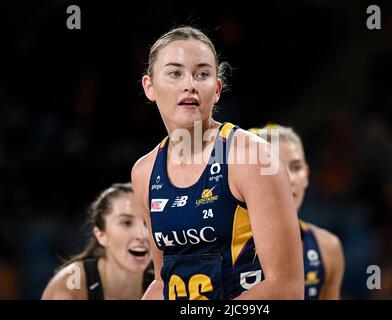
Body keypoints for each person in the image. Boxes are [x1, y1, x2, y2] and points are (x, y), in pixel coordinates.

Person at [131, 26, 304, 300]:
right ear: (149, 87)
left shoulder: (252, 157)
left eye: (202, 74)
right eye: (175, 73)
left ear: (218, 89)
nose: (190, 84)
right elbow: (163, 281)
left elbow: (286, 289)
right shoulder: (144, 172)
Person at [250, 124, 345, 299]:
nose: (289, 178)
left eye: (296, 167)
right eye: (275, 166)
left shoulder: (328, 248)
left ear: (307, 174)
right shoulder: (218, 244)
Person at [42, 182, 153, 300]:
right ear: (101, 235)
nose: (142, 234)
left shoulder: (165, 286)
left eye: (148, 222)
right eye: (126, 223)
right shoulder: (71, 286)